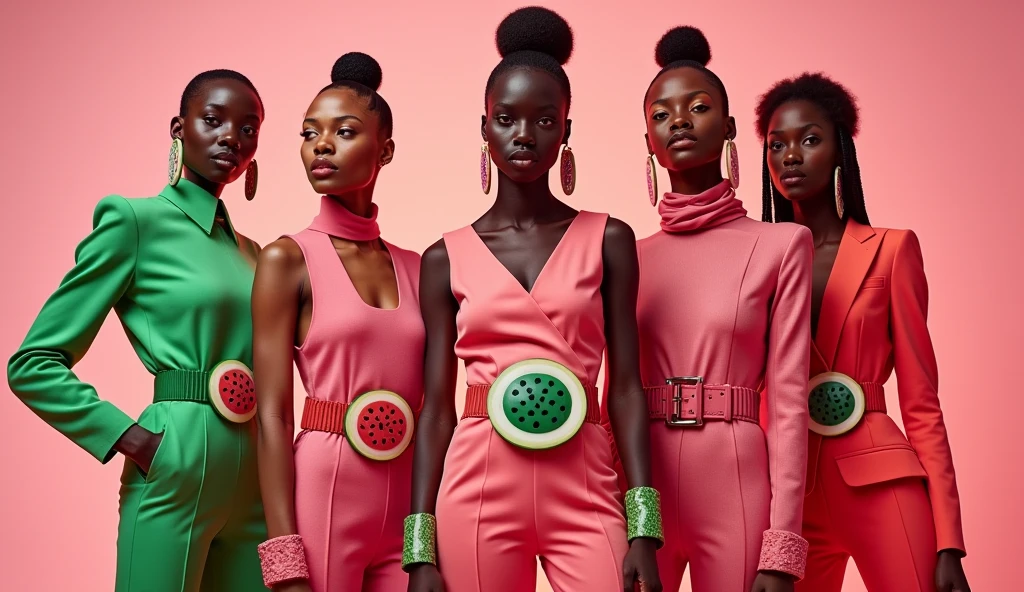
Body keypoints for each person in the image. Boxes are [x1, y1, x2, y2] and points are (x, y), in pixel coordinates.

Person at [404, 7, 663, 592]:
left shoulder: (610, 238)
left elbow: (625, 388)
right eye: (506, 118)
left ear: (566, 130)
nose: (525, 135)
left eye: (545, 120)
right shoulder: (443, 257)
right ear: (484, 128)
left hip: (587, 481)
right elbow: (436, 408)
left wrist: (644, 527)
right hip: (477, 484)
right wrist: (420, 549)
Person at [8, 69, 267, 591]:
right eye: (213, 120)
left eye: (248, 128)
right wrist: (133, 440)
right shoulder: (134, 222)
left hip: (255, 469)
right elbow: (32, 363)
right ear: (179, 126)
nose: (231, 139)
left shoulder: (255, 254)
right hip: (176, 456)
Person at [612, 25, 814, 592]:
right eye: (661, 114)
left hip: (736, 476)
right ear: (648, 139)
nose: (679, 121)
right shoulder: (624, 254)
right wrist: (622, 515)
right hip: (641, 486)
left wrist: (784, 546)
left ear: (727, 129)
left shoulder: (782, 244)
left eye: (698, 107)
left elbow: (791, 399)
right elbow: (613, 391)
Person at [757, 72, 971, 592]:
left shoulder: (892, 250)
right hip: (788, 498)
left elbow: (922, 403)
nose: (791, 155)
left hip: (881, 483)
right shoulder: (753, 262)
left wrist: (949, 542)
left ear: (839, 151)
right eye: (777, 144)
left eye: (809, 139)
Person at [252, 52, 423, 592]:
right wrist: (284, 561)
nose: (320, 145)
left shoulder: (419, 266)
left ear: (386, 150)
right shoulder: (286, 260)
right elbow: (273, 415)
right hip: (325, 489)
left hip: (408, 504)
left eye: (343, 131)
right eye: (309, 133)